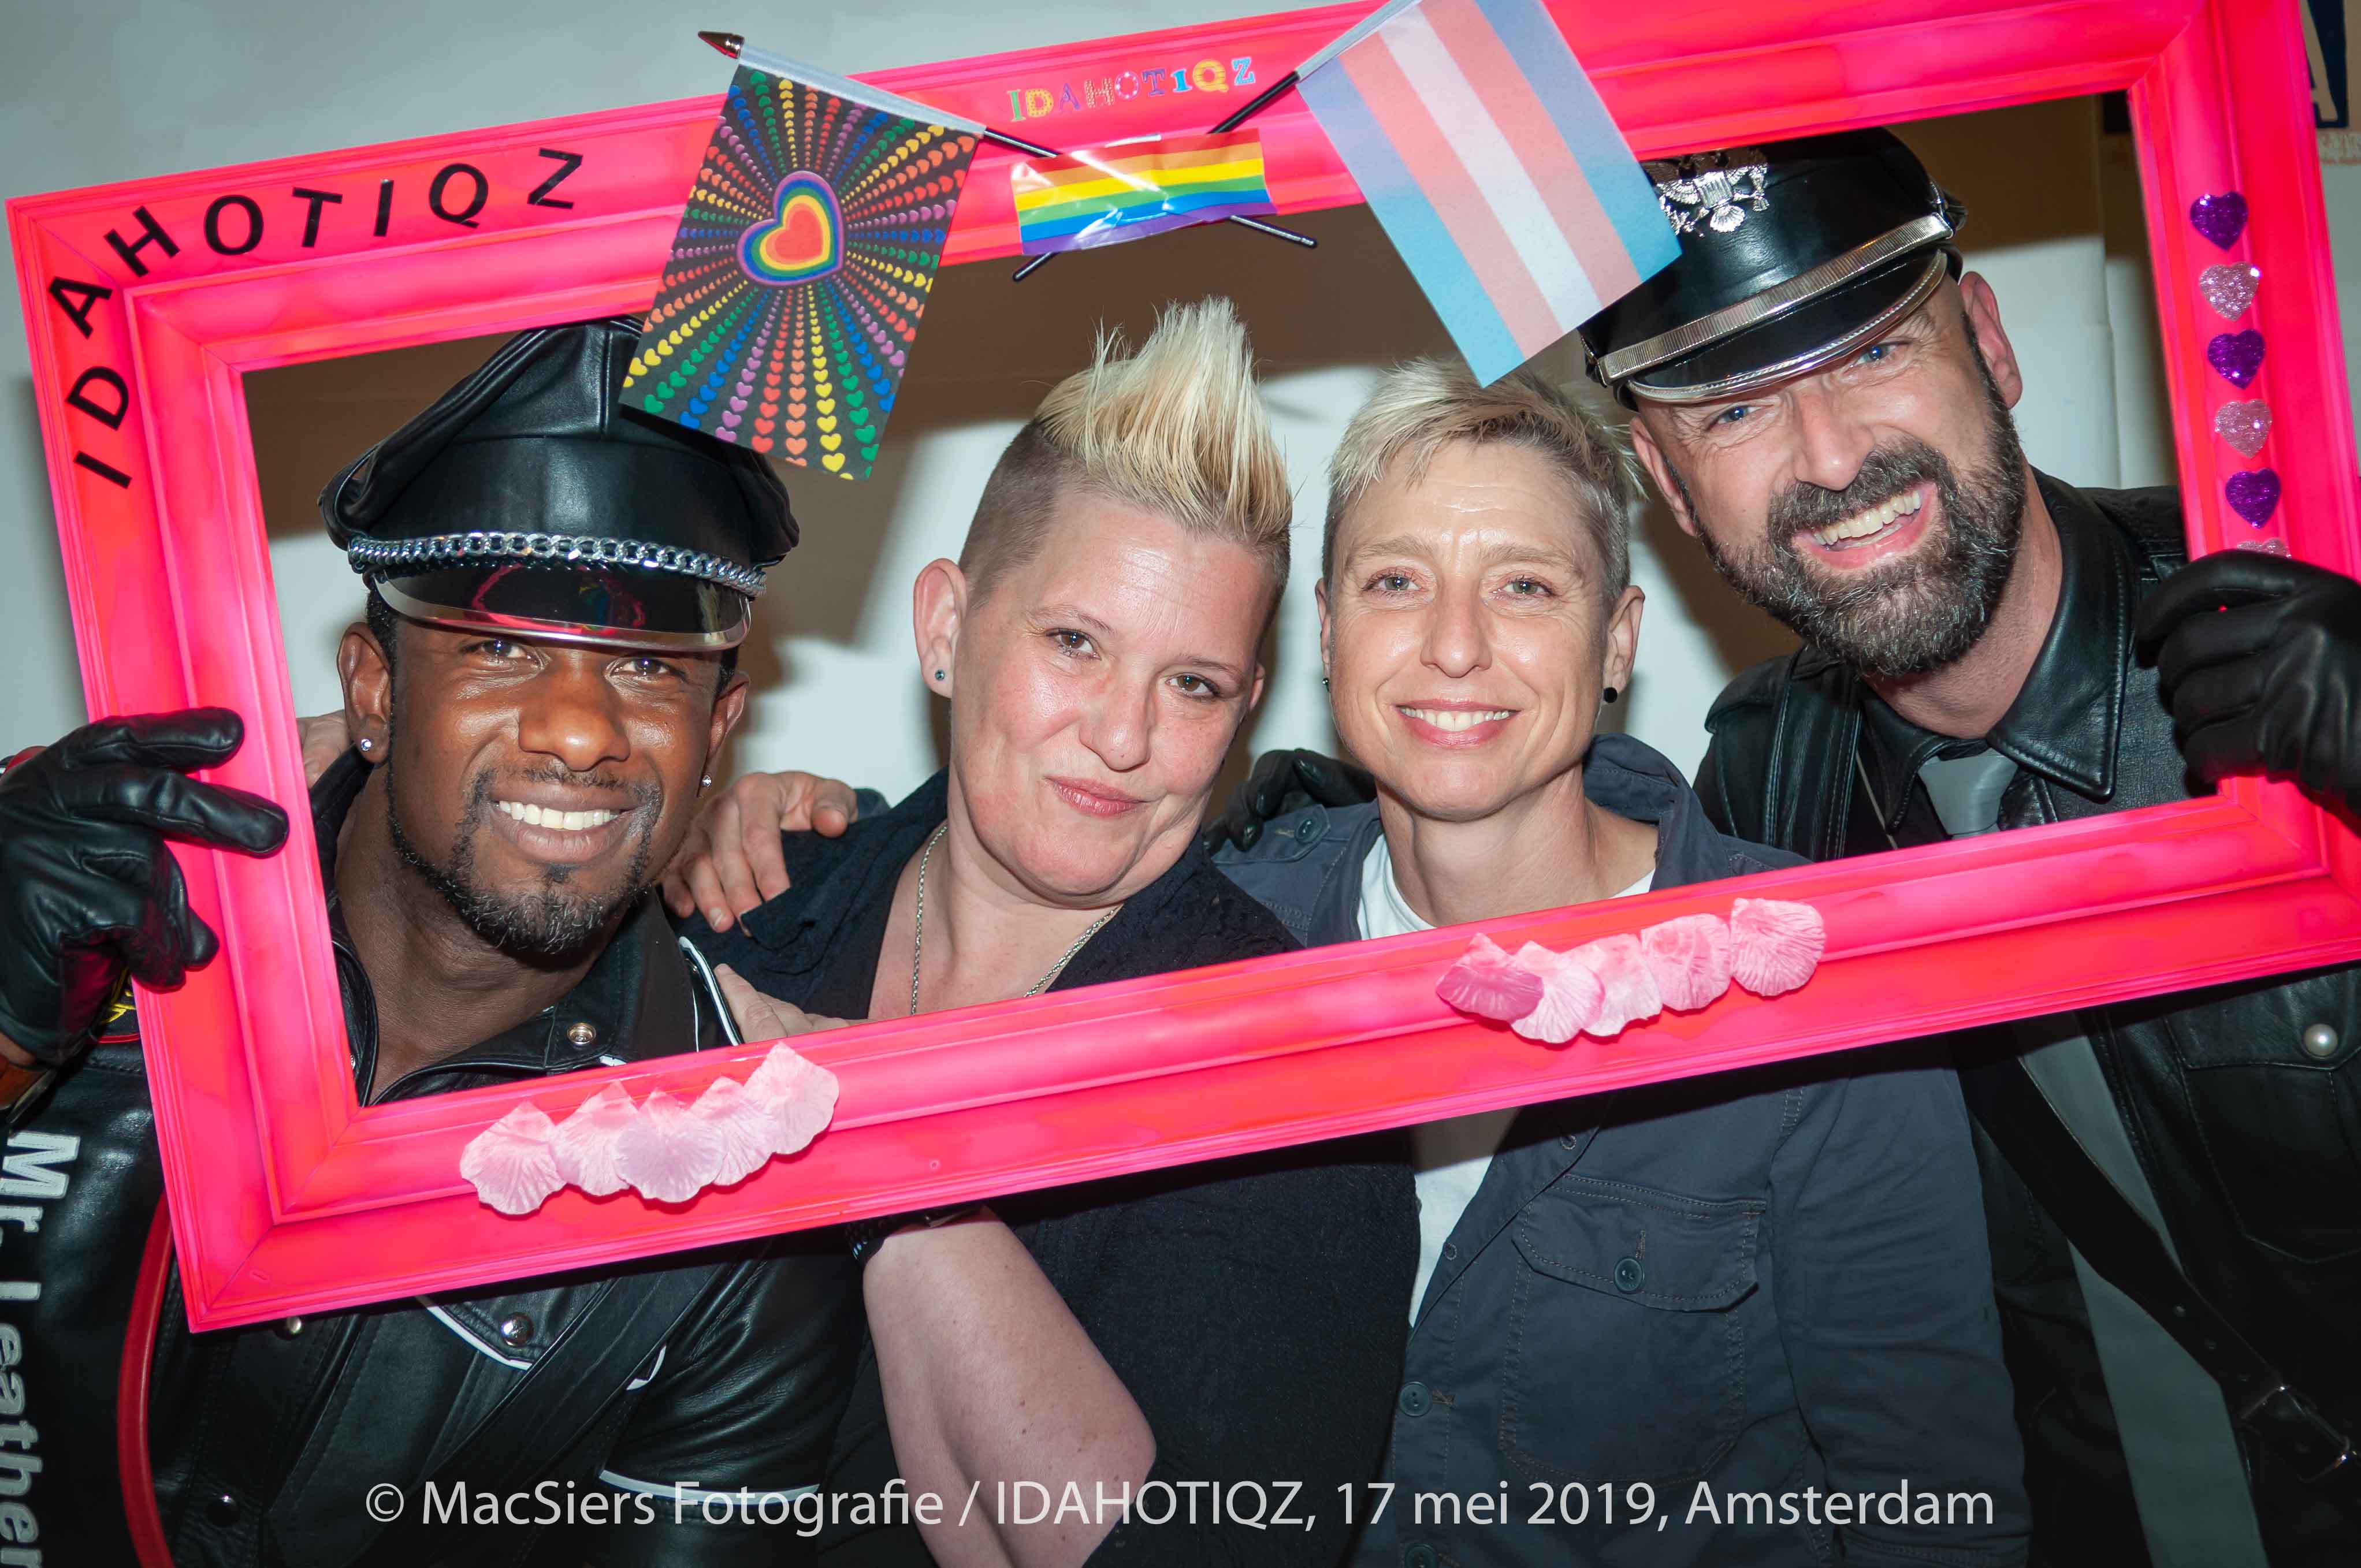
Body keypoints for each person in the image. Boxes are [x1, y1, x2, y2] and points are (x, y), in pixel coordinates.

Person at [1213, 128, 2361, 1565]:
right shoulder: (1772, 783)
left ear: (1988, 337)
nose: (1832, 456)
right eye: (1738, 409)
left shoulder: (2297, 612)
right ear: (1668, 478)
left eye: (1874, 351)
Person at [0, 318, 857, 1566]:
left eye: (648, 667)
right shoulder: (82, 880)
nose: (579, 732)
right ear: (374, 689)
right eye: (500, 648)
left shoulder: (739, 1210)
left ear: (717, 729)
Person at [1217, 360, 2027, 1567]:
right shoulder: (1230, 947)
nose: (1454, 646)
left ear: (1616, 640)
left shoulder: (1816, 999)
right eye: (1397, 581)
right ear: (1328, 632)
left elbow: (1935, 1513)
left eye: (1525, 586)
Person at [683, 300, 1416, 1568]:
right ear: (944, 630)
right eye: (1075, 643)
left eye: (1191, 684)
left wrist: (860, 1133)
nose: (1124, 737)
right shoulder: (751, 907)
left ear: (1244, 707)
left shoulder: (1290, 1081)